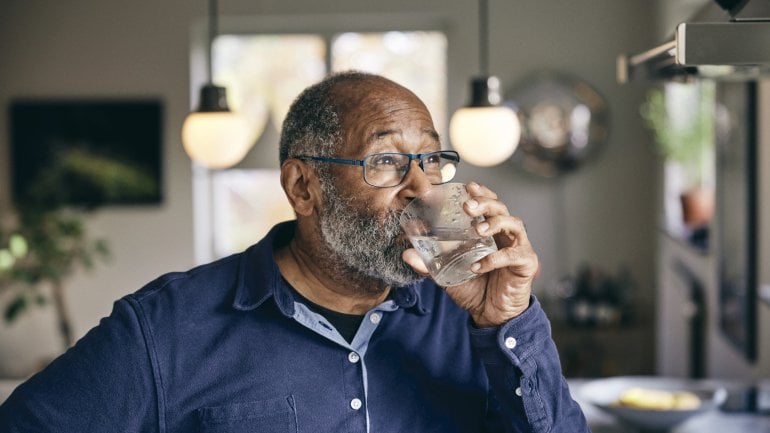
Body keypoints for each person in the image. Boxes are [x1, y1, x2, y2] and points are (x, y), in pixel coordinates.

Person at [0, 71, 589, 432]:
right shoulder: (166, 330)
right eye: (385, 161)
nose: (422, 188)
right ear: (303, 187)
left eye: (431, 159)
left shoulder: (472, 319)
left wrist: (508, 323)